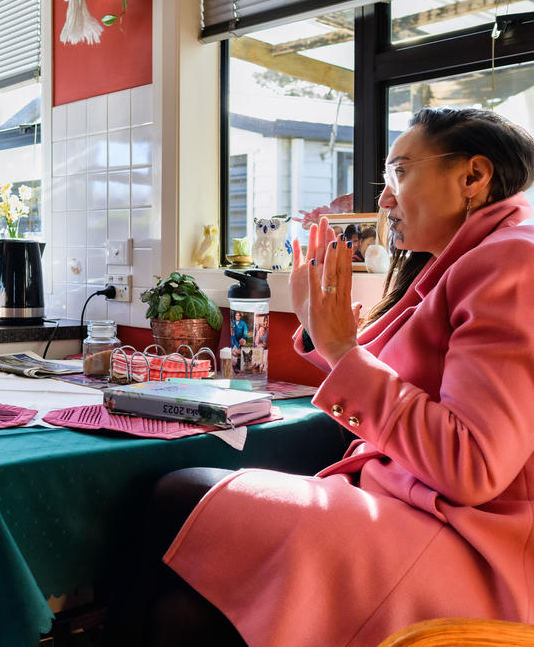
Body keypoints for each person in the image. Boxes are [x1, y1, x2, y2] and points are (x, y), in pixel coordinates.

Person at [105, 107, 534, 647]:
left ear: (472, 176)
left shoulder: (512, 261)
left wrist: (339, 348)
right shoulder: (469, 258)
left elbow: (472, 464)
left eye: (400, 172)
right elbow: (406, 383)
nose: (383, 199)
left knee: (179, 490)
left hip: (473, 543)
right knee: (183, 614)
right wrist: (327, 338)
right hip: (417, 508)